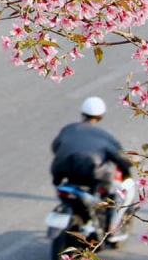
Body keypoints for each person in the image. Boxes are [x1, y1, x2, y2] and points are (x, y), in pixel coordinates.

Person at [51, 96, 133, 239]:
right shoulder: (106, 136)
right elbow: (119, 156)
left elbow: (55, 147)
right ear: (101, 116)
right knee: (113, 195)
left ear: (83, 112)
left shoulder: (68, 129)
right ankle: (111, 229)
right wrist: (127, 168)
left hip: (64, 172)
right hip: (93, 175)